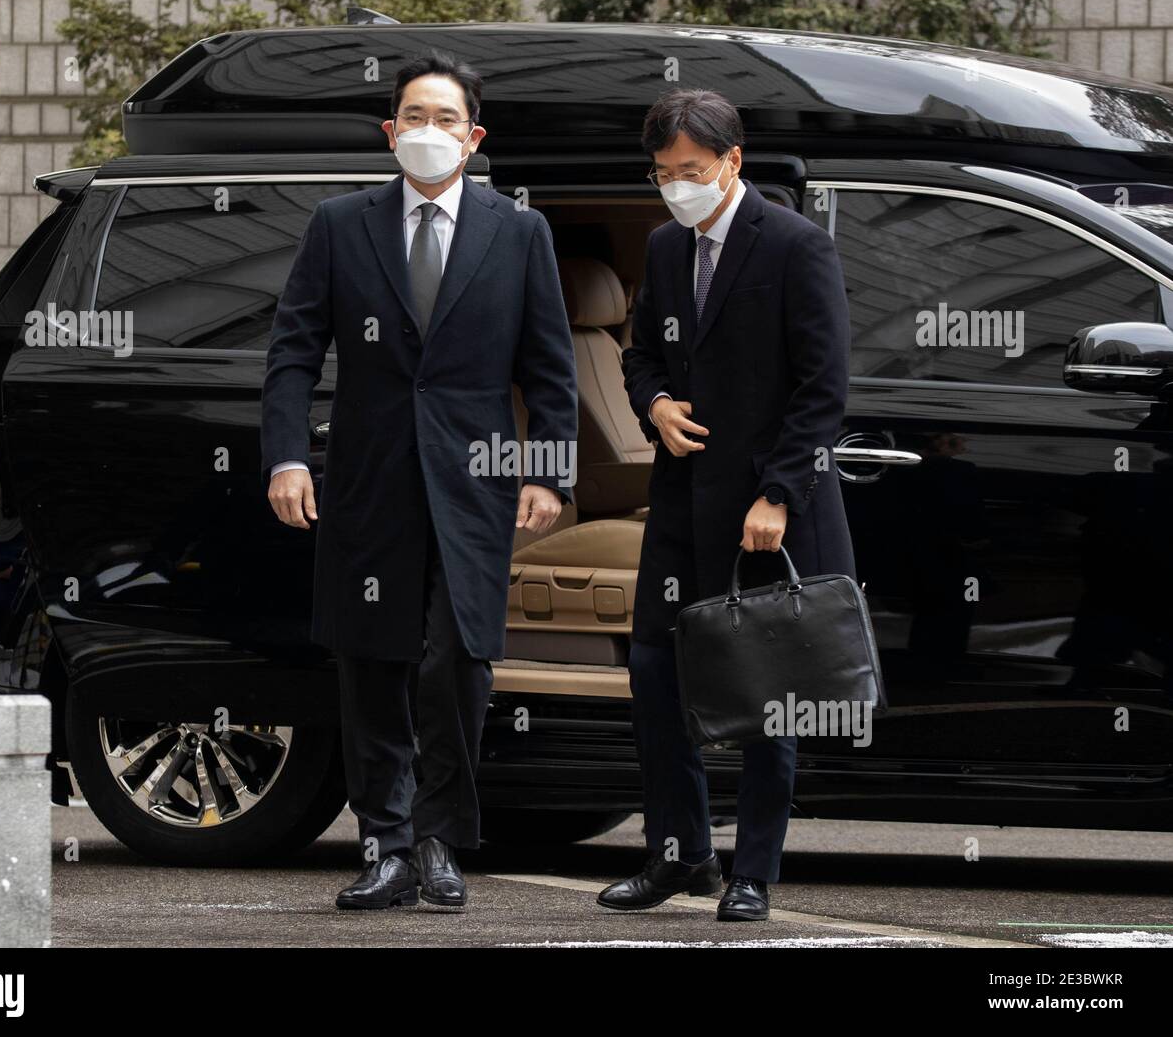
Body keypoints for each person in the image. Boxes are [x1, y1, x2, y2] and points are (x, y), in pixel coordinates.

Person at [261, 52, 578, 911]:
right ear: (389, 131)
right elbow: (293, 351)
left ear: (473, 138)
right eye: (413, 116)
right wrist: (288, 457)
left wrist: (549, 469)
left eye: (445, 119)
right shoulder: (340, 223)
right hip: (367, 482)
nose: (427, 132)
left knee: (456, 662)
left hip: (476, 486)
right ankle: (386, 844)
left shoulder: (519, 232)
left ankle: (440, 839)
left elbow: (550, 366)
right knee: (370, 663)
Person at [603, 88, 855, 921]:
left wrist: (780, 490)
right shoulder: (667, 248)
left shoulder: (795, 246)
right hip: (681, 507)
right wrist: (656, 406)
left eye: (693, 170)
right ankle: (681, 855)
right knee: (655, 680)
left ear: (732, 162)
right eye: (665, 172)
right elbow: (640, 356)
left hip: (765, 507)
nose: (678, 185)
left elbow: (823, 389)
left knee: (763, 693)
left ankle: (753, 871)